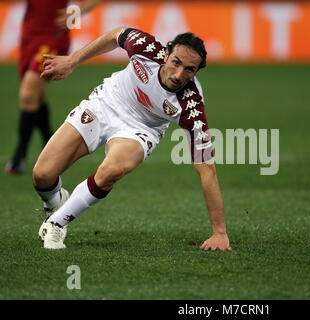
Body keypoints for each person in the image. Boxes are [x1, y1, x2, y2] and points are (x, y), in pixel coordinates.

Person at [34, 26, 232, 251]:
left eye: (189, 69)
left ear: (196, 72)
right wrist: (73, 60)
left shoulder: (191, 105)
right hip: (104, 105)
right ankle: (56, 204)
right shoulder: (145, 47)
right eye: (176, 62)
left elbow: (207, 169)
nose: (179, 75)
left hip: (140, 129)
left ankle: (56, 224)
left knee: (112, 170)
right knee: (42, 176)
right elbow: (114, 35)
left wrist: (220, 233)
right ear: (166, 54)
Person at [5, 0, 100, 175]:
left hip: (53, 36)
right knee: (36, 96)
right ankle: (50, 142)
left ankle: (20, 156)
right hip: (29, 34)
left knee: (28, 93)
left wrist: (77, 12)